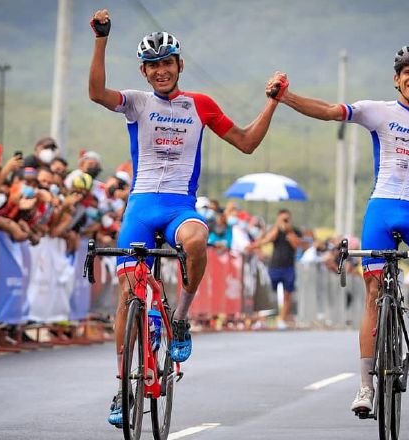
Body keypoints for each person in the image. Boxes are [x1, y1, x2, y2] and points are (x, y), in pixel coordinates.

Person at [267, 44, 409, 413]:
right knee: (374, 293)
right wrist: (286, 96)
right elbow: (327, 111)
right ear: (397, 79)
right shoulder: (378, 112)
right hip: (381, 212)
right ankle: (365, 387)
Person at [88, 9, 281, 426]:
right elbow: (96, 92)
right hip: (140, 205)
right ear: (143, 70)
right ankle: (122, 384)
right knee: (128, 296)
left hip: (179, 205)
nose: (161, 71)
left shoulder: (201, 106)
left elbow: (246, 143)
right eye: (153, 65)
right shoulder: (136, 103)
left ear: (179, 65)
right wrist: (102, 39)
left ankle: (179, 319)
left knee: (196, 239)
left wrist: (271, 103)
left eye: (167, 63)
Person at [248, 209, 302, 329]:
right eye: (282, 219)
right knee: (269, 294)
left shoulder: (294, 231)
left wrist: (289, 232)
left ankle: (282, 319)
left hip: (289, 267)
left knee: (287, 294)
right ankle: (263, 319)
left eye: (287, 219)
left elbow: (297, 245)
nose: (285, 221)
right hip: (275, 266)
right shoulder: (274, 230)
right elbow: (266, 240)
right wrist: (277, 229)